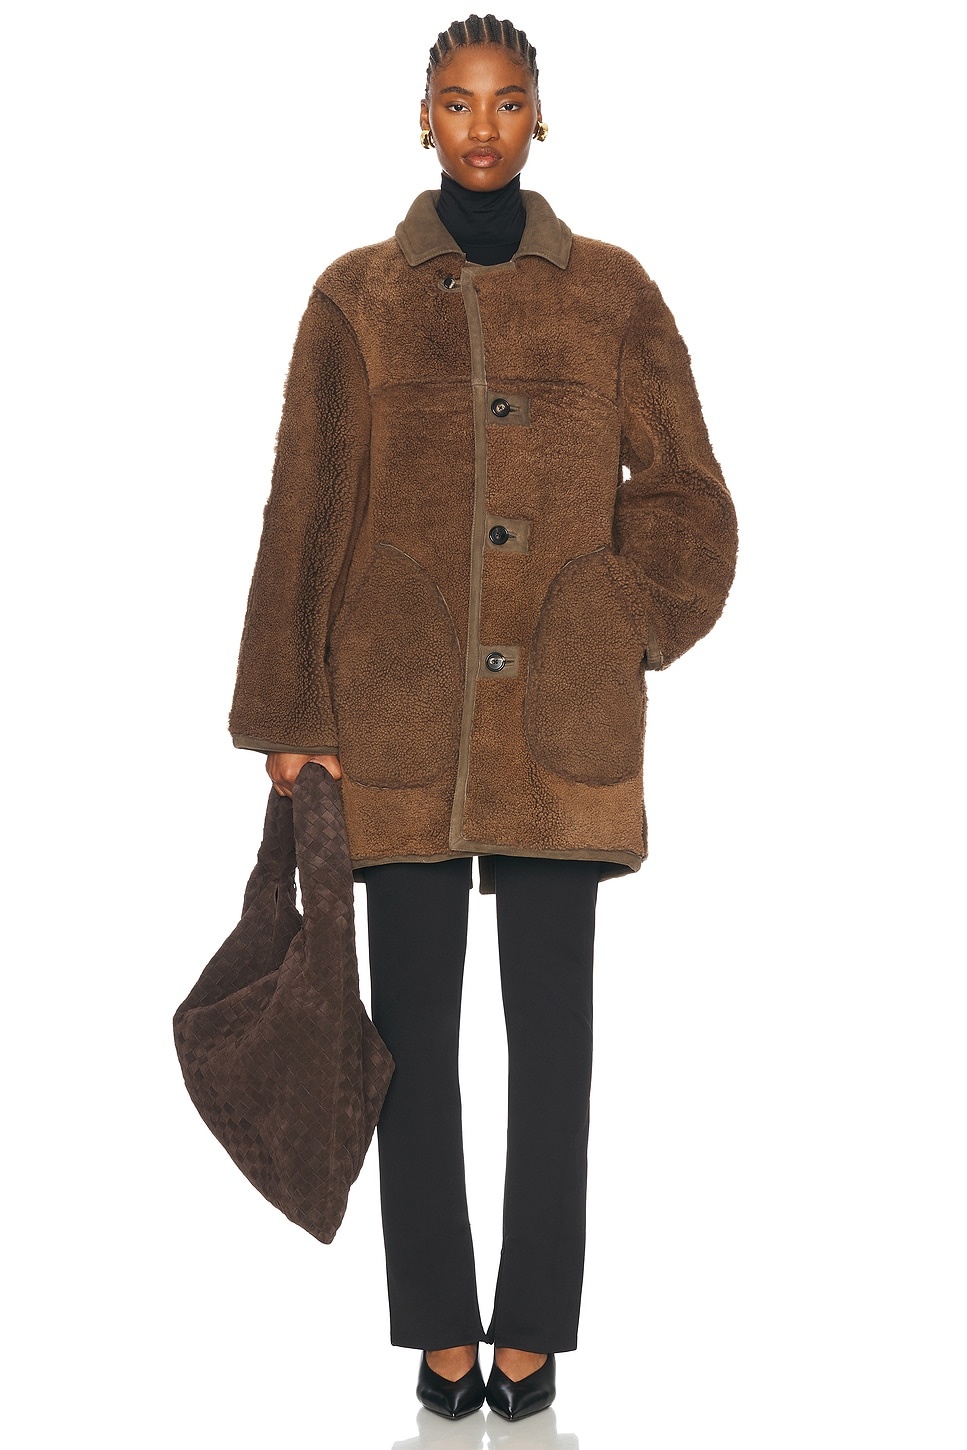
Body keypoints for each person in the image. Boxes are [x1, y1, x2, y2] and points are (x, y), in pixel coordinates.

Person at [229, 12, 738, 1423]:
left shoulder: (613, 294)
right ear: (422, 117)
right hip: (388, 713)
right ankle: (442, 1331)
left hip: (561, 724)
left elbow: (690, 496)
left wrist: (622, 617)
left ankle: (533, 1335)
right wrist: (288, 709)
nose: (481, 127)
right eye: (457, 102)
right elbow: (302, 510)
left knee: (553, 1051)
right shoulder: (354, 298)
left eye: (507, 102)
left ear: (540, 117)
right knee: (412, 1050)